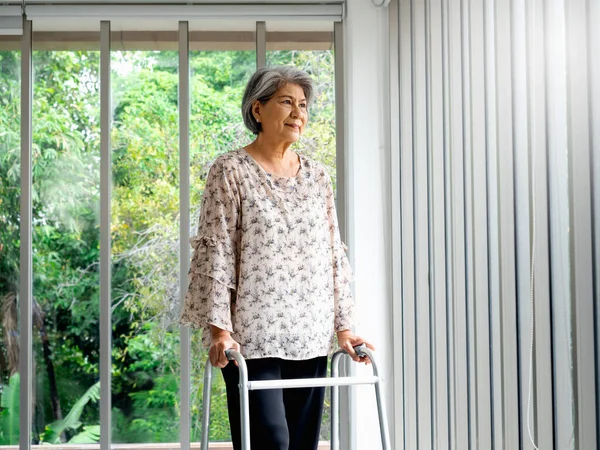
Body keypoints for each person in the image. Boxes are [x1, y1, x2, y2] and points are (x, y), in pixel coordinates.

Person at [180, 65, 374, 450]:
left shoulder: (318, 177)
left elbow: (333, 252)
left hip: (311, 332)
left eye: (303, 105)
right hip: (253, 337)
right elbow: (216, 250)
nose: (298, 113)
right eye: (286, 102)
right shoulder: (230, 170)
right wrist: (220, 330)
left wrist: (345, 327)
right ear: (257, 109)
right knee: (270, 442)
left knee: (302, 445)